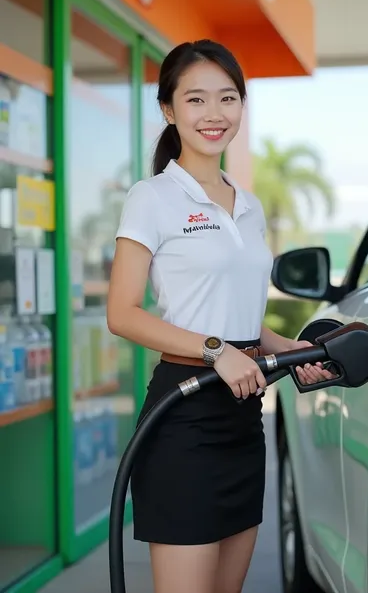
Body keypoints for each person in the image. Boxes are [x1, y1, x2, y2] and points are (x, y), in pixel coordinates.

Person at [107, 39, 334, 593]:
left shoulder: (248, 203)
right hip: (181, 420)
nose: (214, 114)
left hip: (243, 418)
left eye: (227, 98)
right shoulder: (152, 197)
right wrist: (216, 350)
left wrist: (292, 353)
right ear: (169, 110)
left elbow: (244, 321)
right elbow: (122, 313)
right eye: (196, 99)